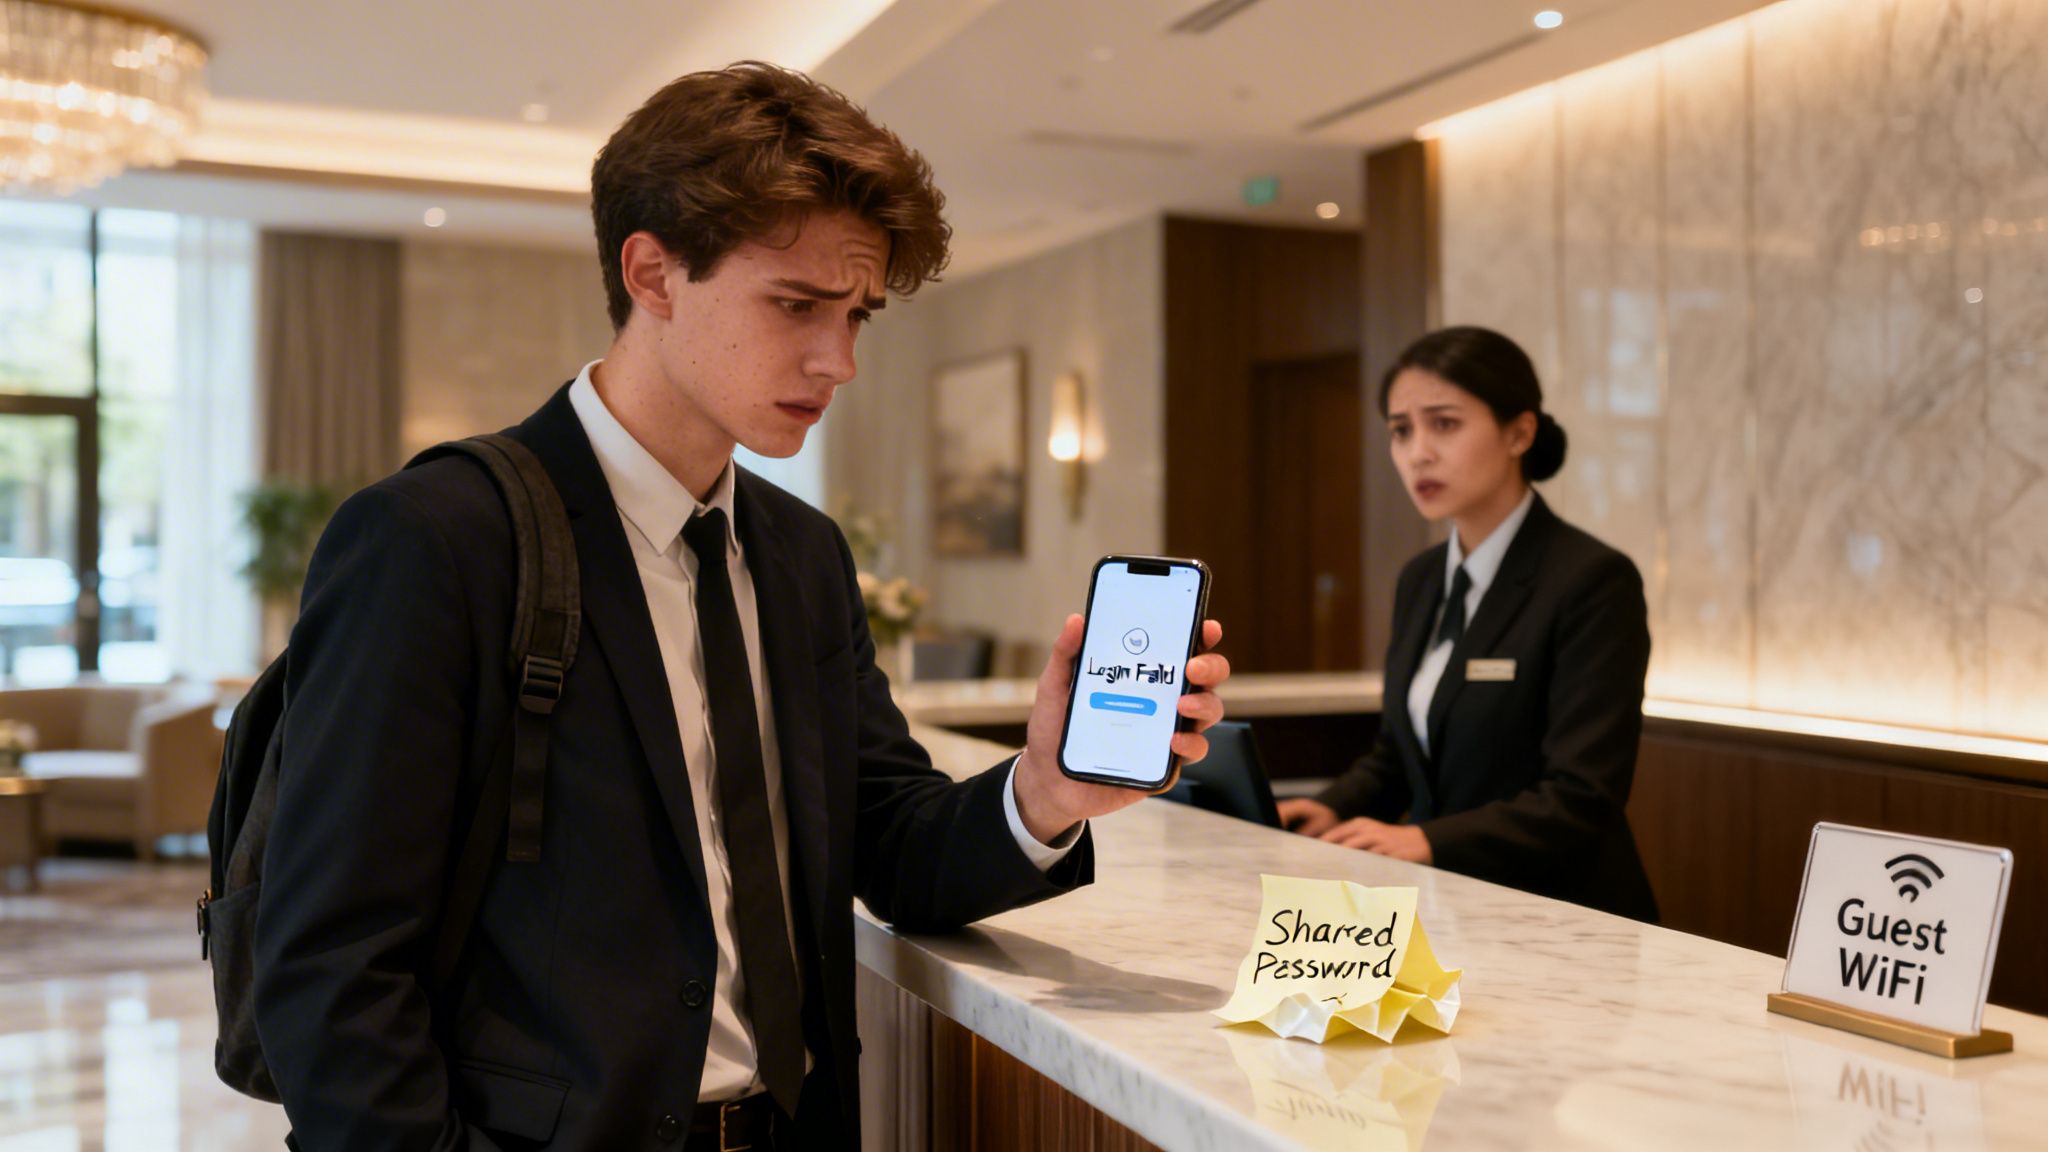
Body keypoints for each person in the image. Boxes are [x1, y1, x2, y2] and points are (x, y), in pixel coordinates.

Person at [252, 62, 1231, 1150]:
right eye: (795, 305)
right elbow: (331, 964)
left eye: (856, 313)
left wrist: (1045, 788)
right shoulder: (437, 537)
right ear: (652, 272)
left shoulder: (799, 552)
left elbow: (890, 845)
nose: (839, 359)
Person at [1276, 326, 1656, 922]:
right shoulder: (1421, 579)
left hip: (1566, 918)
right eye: (1401, 430)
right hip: (1452, 909)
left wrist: (1426, 840)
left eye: (1444, 424)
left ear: (1519, 432)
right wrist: (1329, 808)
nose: (1417, 452)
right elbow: (1401, 756)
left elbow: (1582, 797)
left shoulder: (1591, 579)